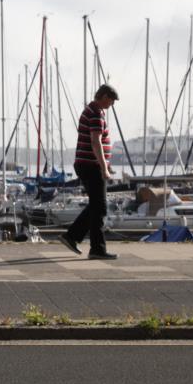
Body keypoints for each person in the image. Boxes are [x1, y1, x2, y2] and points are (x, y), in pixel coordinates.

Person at [59, 84, 119, 260]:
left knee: (96, 206)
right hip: (91, 166)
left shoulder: (91, 110)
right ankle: (94, 248)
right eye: (111, 100)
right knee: (99, 207)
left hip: (88, 164)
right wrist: (103, 167)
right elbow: (95, 141)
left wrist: (104, 163)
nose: (112, 105)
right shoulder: (95, 113)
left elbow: (95, 142)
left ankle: (75, 238)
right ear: (104, 96)